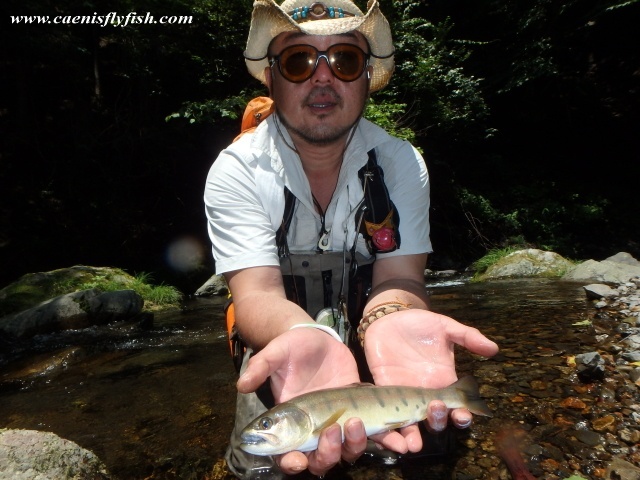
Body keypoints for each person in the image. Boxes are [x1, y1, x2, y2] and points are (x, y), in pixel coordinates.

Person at [204, 0, 499, 478]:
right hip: (288, 348)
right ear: (272, 78)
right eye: (299, 60)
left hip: (378, 344)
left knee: (427, 449)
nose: (323, 77)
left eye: (345, 59)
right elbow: (255, 293)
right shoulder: (237, 171)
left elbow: (401, 277)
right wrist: (307, 337)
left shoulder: (400, 163)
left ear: (366, 76)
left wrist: (390, 318)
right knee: (264, 463)